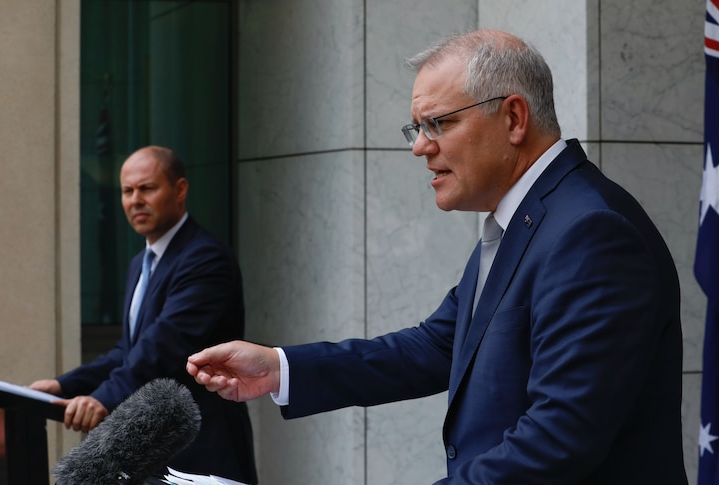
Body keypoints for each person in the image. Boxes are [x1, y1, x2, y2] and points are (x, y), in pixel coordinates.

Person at [186, 30, 688, 484]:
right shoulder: (532, 217)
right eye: (417, 128)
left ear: (513, 118)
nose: (420, 148)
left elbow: (558, 439)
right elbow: (438, 347)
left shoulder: (590, 232)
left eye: (438, 123)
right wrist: (281, 368)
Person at [31, 146, 258, 484]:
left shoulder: (205, 258)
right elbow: (129, 349)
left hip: (204, 448)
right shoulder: (142, 263)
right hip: (154, 448)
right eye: (127, 190)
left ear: (179, 190)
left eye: (147, 188)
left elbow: (163, 346)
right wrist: (64, 385)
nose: (135, 200)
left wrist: (102, 398)